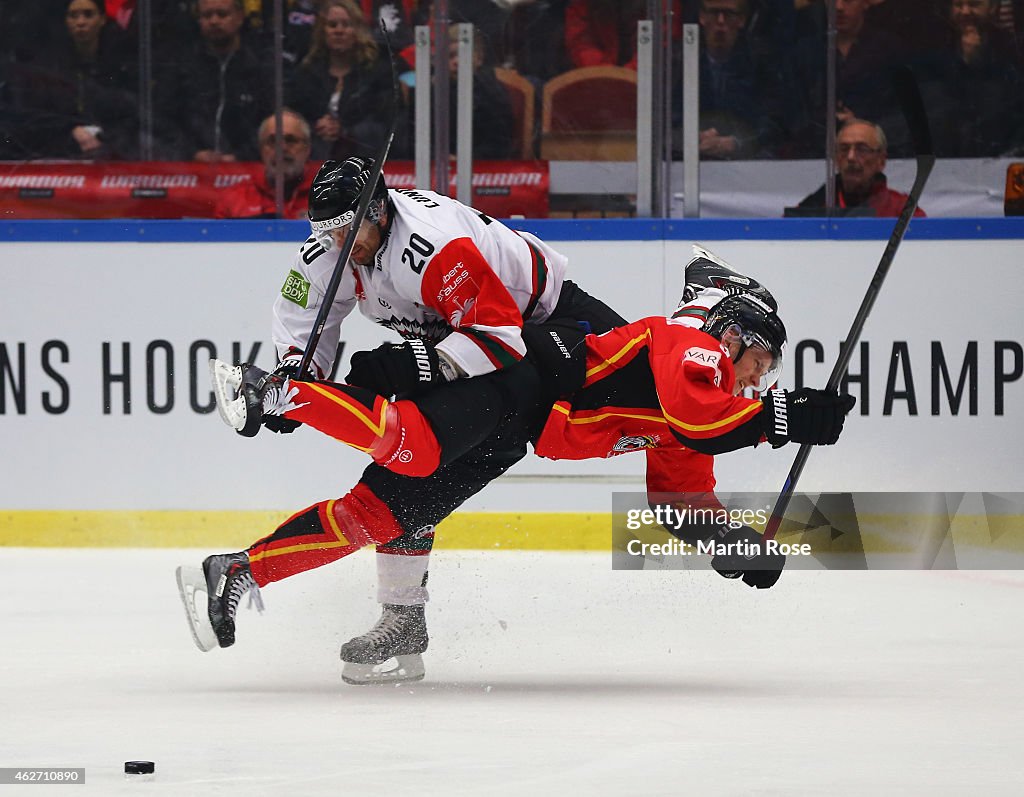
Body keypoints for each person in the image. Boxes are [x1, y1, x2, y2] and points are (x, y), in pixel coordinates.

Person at [181, 262, 855, 678]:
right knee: (409, 442)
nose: (755, 384)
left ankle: (237, 570)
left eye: (765, 381)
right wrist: (785, 420)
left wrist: (735, 547)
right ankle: (273, 388)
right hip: (520, 378)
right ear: (733, 335)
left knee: (380, 514)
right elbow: (696, 413)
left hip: (519, 430)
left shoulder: (698, 416)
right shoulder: (690, 346)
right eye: (758, 366)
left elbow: (678, 499)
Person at [178, 155, 627, 683]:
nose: (340, 245)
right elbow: (302, 318)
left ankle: (720, 342)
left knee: (653, 401)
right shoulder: (329, 248)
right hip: (493, 357)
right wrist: (301, 369)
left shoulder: (434, 247)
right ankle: (401, 616)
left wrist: (419, 367)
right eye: (328, 233)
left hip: (548, 326)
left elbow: (498, 337)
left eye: (349, 230)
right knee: (409, 479)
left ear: (380, 211)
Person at [6, 0, 138, 159]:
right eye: (73, 16)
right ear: (66, 21)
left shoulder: (120, 62)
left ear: (102, 19)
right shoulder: (51, 65)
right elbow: (38, 117)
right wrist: (71, 130)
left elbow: (130, 110)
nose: (80, 22)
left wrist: (107, 135)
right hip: (63, 152)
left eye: (88, 15)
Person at [154, 0, 272, 162]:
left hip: (248, 167)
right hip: (191, 169)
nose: (214, 21)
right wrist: (192, 153)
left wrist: (239, 157)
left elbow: (270, 122)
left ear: (239, 17)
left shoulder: (259, 66)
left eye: (222, 14)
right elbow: (162, 122)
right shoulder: (181, 66)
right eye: (206, 15)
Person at [285, 0, 397, 160]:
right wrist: (315, 127)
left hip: (365, 160)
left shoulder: (378, 72)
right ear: (322, 31)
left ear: (357, 30)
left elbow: (384, 124)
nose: (339, 30)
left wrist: (344, 132)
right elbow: (292, 116)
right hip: (312, 159)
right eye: (332, 25)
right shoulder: (306, 72)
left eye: (346, 24)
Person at [692, 0, 788, 160]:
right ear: (702, 17)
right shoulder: (681, 61)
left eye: (729, 14)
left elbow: (774, 123)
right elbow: (668, 120)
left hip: (749, 161)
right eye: (714, 12)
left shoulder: (763, 62)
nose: (721, 21)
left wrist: (737, 143)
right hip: (692, 161)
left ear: (742, 20)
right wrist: (694, 138)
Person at [794, 118, 928, 217]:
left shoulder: (903, 211)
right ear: (835, 159)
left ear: (881, 160)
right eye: (844, 149)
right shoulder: (812, 207)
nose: (851, 157)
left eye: (862, 149)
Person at [214, 109, 319, 219]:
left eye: (291, 140)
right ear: (261, 149)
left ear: (307, 148)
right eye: (272, 141)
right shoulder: (233, 200)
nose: (282, 148)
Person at [446, 24, 515, 160]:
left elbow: (499, 143)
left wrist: (464, 159)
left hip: (482, 168)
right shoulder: (432, 91)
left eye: (463, 54)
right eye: (450, 56)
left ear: (479, 58)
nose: (456, 62)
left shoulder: (492, 93)